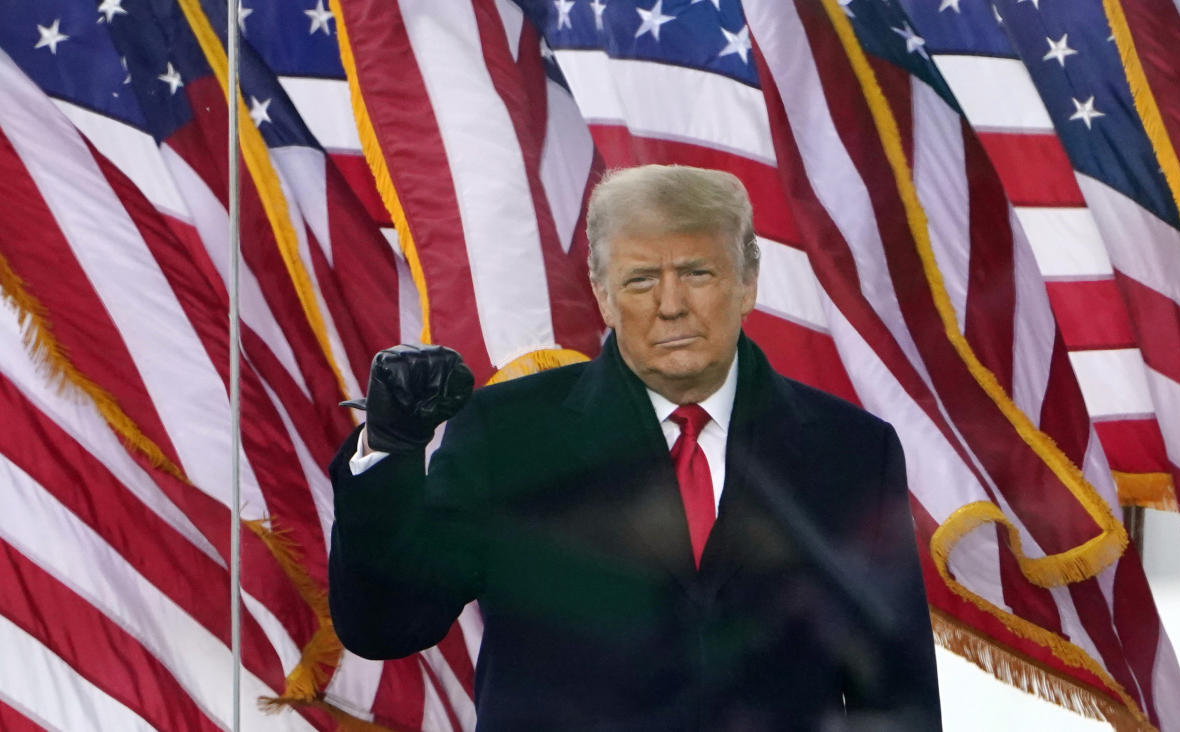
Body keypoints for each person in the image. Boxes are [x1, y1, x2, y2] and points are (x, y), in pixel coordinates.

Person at [329, 164, 941, 730]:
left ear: (748, 282)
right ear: (602, 294)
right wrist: (391, 447)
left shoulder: (851, 449)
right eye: (641, 279)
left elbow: (893, 694)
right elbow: (386, 623)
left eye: (697, 273)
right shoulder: (509, 434)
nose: (671, 306)